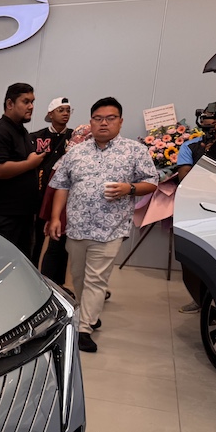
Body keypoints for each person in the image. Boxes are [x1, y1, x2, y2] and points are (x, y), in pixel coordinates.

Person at [46, 97, 159, 352]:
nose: (104, 123)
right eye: (98, 119)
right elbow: (61, 186)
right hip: (77, 228)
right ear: (91, 122)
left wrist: (129, 188)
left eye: (110, 118)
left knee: (96, 279)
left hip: (110, 229)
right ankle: (91, 313)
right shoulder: (76, 152)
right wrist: (55, 218)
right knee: (78, 277)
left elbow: (152, 182)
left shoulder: (134, 151)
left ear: (120, 121)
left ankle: (84, 328)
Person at [0, 83, 45, 259]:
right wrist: (30, 164)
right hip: (3, 216)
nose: (31, 106)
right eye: (26, 101)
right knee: (2, 262)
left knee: (21, 262)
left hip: (21, 215)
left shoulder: (21, 131)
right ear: (10, 104)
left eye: (32, 102)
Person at [177, 102, 216, 313]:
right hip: (195, 210)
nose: (215, 120)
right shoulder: (190, 147)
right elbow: (185, 179)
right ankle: (201, 302)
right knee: (191, 262)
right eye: (210, 116)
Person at [30, 97, 74, 282]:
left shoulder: (75, 137)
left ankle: (57, 282)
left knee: (60, 240)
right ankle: (31, 276)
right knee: (35, 239)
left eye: (68, 110)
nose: (65, 114)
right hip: (40, 195)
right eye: (61, 110)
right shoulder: (36, 137)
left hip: (64, 196)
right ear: (50, 114)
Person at [176, 101, 216, 181]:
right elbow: (184, 179)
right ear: (202, 121)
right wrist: (203, 156)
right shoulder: (188, 146)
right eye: (211, 114)